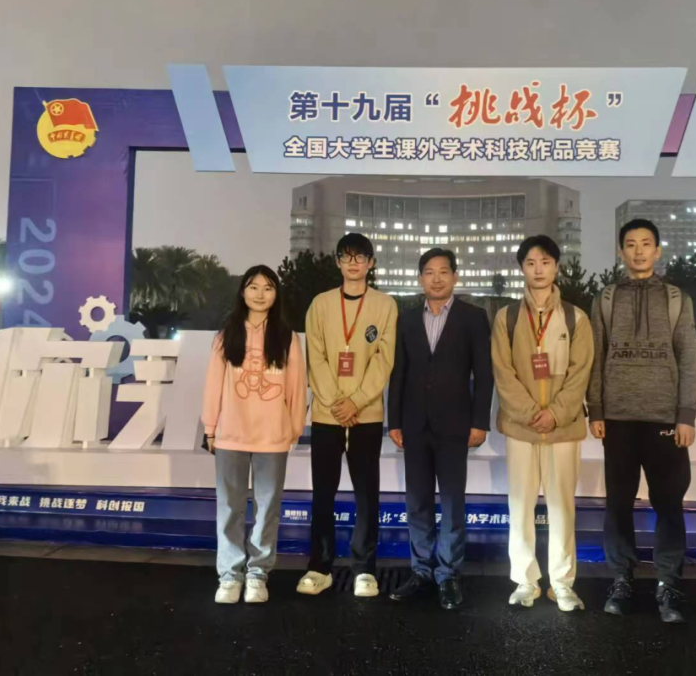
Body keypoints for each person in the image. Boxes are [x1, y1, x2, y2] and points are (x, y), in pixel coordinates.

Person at [587, 218, 696, 624]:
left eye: (646, 243)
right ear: (621, 252)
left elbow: (688, 357)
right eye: (631, 244)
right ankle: (622, 578)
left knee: (668, 503)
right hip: (617, 419)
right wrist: (596, 409)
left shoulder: (676, 298)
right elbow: (596, 356)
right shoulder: (606, 298)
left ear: (657, 250)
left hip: (664, 418)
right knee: (618, 504)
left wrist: (686, 414)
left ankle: (668, 583)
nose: (638, 251)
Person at [491, 234, 593, 612]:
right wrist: (530, 413)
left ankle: (562, 584)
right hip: (521, 428)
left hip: (563, 429)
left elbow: (581, 373)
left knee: (562, 507)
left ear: (556, 267)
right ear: (522, 268)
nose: (538, 270)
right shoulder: (507, 317)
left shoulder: (575, 318)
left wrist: (556, 413)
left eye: (545, 262)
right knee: (520, 506)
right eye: (531, 263)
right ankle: (525, 581)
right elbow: (502, 372)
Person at [387, 248, 493, 610]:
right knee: (417, 502)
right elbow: (398, 372)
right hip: (414, 425)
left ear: (455, 277)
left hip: (455, 426)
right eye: (429, 272)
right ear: (420, 279)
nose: (436, 278)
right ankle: (421, 571)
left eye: (443, 272)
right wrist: (394, 420)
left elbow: (484, 373)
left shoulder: (473, 317)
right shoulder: (406, 319)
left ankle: (448, 575)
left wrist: (480, 421)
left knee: (451, 504)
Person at [297, 233, 398, 598]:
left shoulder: (385, 305)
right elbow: (316, 357)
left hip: (366, 415)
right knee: (323, 493)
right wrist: (336, 401)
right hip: (327, 416)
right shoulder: (320, 304)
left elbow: (384, 359)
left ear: (371, 263)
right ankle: (319, 567)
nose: (354, 263)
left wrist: (356, 401)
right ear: (338, 262)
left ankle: (364, 569)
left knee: (367, 494)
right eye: (347, 256)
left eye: (361, 257)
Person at [201, 264, 306, 605]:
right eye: (254, 287)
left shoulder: (287, 338)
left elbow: (296, 389)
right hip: (230, 434)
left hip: (272, 436)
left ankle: (258, 573)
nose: (260, 294)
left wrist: (293, 428)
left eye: (268, 288)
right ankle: (230, 574)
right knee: (229, 506)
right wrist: (210, 428)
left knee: (267, 507)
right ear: (243, 292)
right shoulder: (226, 336)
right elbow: (213, 386)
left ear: (277, 295)